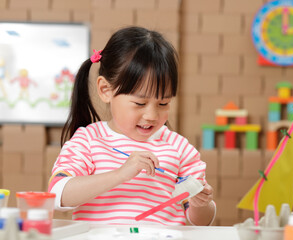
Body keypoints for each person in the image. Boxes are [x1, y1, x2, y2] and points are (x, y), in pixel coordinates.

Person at [48, 26, 216, 226]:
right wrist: (120, 174)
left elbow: (201, 222)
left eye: (163, 104)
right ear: (105, 90)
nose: (152, 115)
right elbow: (57, 193)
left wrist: (200, 203)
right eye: (140, 103)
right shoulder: (89, 140)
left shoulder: (179, 148)